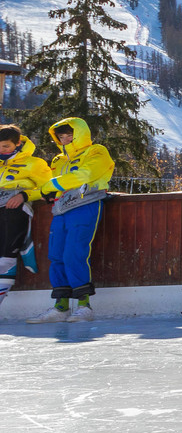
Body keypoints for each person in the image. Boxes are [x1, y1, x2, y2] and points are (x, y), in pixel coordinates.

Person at [25, 118, 115, 323]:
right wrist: (24, 195)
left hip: (86, 204)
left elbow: (85, 175)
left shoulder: (97, 151)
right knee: (56, 256)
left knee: (75, 252)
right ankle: (61, 307)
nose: (64, 139)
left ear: (80, 133)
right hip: (61, 209)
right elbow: (46, 186)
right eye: (60, 136)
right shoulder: (59, 160)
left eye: (68, 134)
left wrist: (52, 185)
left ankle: (84, 306)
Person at [0, 124, 52, 317]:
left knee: (5, 256)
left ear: (18, 143)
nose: (1, 150)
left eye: (5, 146)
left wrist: (23, 195)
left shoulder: (34, 163)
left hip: (14, 210)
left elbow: (49, 187)